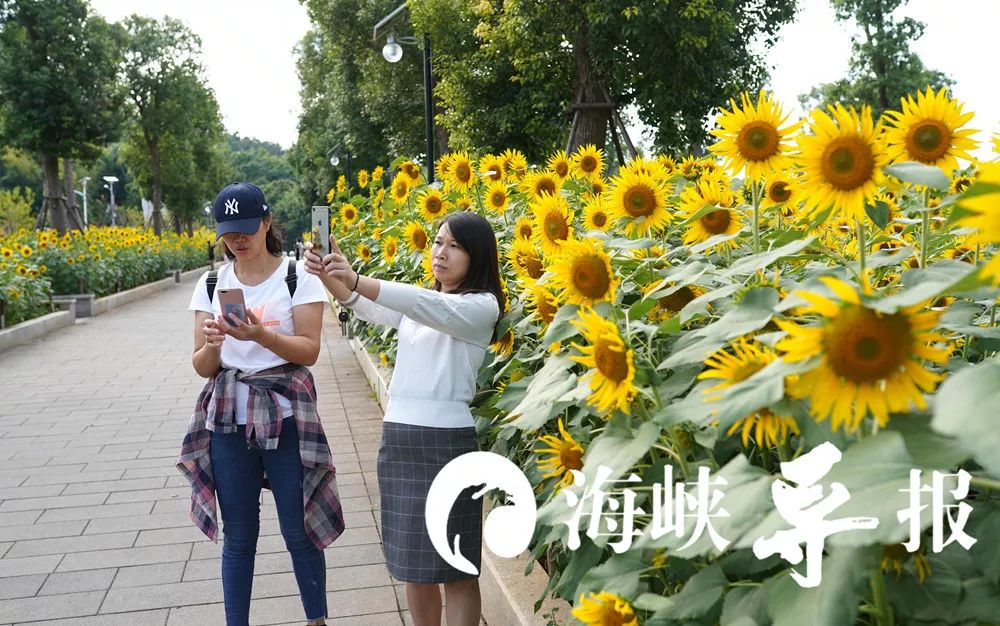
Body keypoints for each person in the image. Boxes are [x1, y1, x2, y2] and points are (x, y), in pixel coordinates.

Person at [304, 211, 504, 626]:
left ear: (477, 255)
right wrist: (329, 273)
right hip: (400, 439)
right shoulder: (423, 306)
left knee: (457, 567)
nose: (440, 253)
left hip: (448, 444)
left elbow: (418, 301)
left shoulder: (480, 307)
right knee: (413, 565)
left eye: (454, 245)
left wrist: (356, 278)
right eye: (437, 241)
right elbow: (361, 304)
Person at [177, 182, 345, 626]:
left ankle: (317, 620)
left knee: (298, 529)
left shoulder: (298, 276)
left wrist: (260, 335)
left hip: (288, 417)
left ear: (267, 222)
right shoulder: (212, 282)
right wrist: (214, 344)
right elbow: (202, 365)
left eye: (246, 229)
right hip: (229, 419)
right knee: (239, 537)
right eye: (229, 232)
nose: (237, 240)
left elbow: (308, 350)